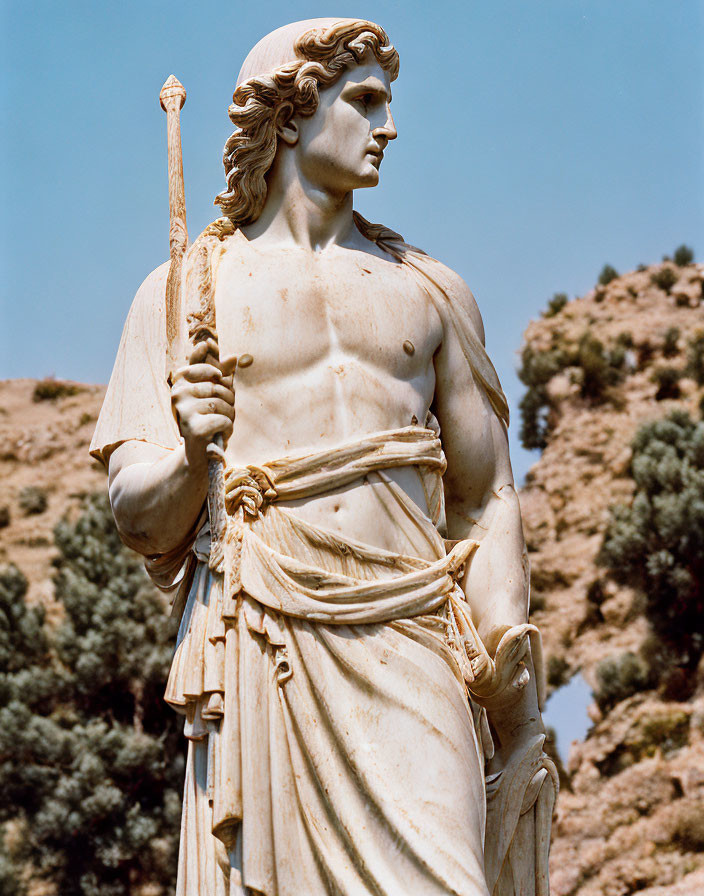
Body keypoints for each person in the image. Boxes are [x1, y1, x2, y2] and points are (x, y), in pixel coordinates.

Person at [91, 18, 557, 896]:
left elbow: (487, 493)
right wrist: (194, 453)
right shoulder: (183, 292)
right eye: (367, 100)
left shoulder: (430, 292)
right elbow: (138, 514)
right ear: (295, 113)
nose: (390, 126)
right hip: (263, 635)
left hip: (416, 637)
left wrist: (512, 684)